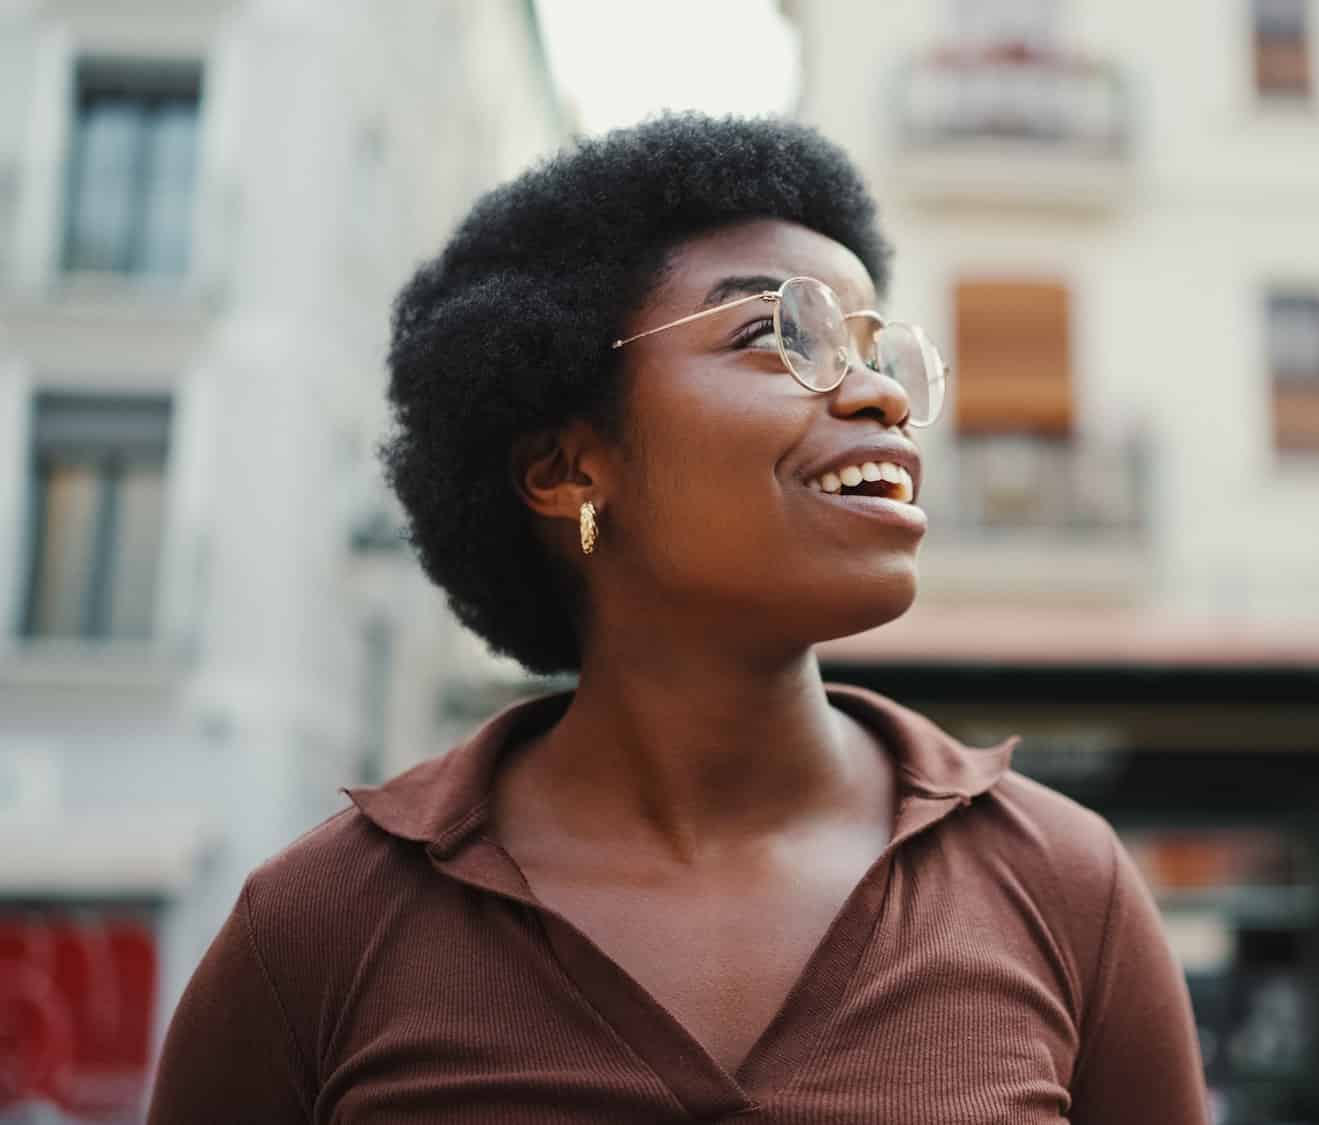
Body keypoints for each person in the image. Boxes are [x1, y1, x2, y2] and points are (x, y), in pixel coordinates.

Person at [148, 112, 1207, 1123]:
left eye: (875, 355)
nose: (878, 395)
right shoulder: (321, 927)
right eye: (772, 334)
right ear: (567, 470)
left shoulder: (1062, 885)